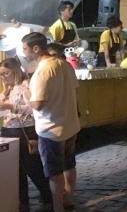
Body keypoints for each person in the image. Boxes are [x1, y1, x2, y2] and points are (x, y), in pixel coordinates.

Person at [22, 32, 80, 212]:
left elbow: (37, 104)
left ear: (36, 48)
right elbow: (74, 89)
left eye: (26, 49)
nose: (24, 53)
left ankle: (58, 207)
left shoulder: (42, 71)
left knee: (54, 172)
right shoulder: (65, 65)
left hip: (51, 129)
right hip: (71, 124)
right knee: (69, 164)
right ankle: (69, 198)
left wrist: (26, 95)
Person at [0, 58, 53, 212]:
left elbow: (33, 109)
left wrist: (11, 106)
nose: (3, 77)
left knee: (32, 167)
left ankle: (47, 197)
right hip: (8, 129)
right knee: (15, 169)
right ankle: (22, 200)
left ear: (15, 70)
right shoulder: (8, 87)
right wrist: (4, 93)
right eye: (1, 74)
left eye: (6, 73)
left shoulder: (26, 85)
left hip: (25, 130)